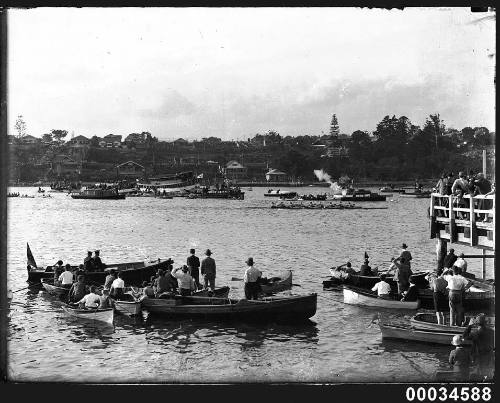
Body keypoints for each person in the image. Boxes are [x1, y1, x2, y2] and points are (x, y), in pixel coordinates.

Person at [462, 314, 495, 380]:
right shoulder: (491, 331)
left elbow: (464, 336)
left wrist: (469, 326)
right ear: (485, 322)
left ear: (477, 324)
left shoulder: (476, 333)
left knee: (478, 374)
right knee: (487, 373)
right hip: (489, 355)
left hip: (479, 357)